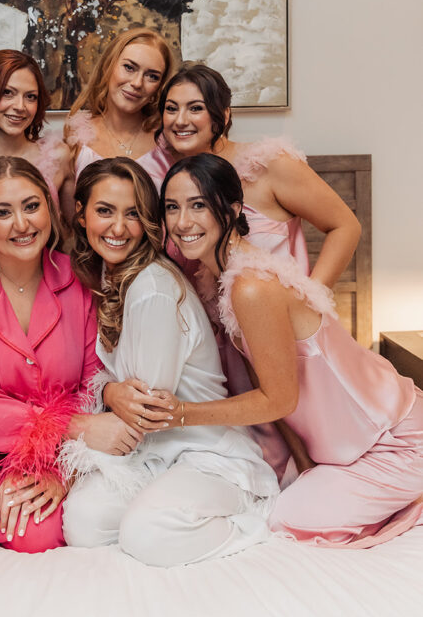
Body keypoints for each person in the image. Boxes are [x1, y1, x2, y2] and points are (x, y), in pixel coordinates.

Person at [159, 153, 423, 547]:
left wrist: (179, 414)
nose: (182, 222)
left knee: (285, 519)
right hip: (351, 449)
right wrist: (306, 466)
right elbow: (277, 388)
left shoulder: (252, 287)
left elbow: (278, 400)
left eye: (198, 205)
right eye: (172, 207)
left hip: (394, 441)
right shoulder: (225, 278)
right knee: (289, 498)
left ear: (232, 210)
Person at [61, 157, 278, 567]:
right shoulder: (111, 274)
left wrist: (99, 404)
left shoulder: (154, 288)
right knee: (83, 524)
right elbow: (112, 381)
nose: (118, 228)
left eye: (133, 214)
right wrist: (108, 389)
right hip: (153, 454)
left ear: (147, 221)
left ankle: (253, 517)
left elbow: (145, 407)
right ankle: (162, 507)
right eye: (105, 211)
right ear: (81, 214)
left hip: (199, 449)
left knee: (147, 534)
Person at [0, 156, 139, 554]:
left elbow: (92, 383)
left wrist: (62, 467)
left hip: (56, 446)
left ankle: (3, 505)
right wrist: (74, 428)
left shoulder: (82, 281)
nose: (21, 224)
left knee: (35, 536)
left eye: (31, 206)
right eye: (3, 212)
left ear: (51, 211)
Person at [158, 63, 361, 284]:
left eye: (195, 108)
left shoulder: (268, 164)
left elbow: (346, 226)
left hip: (280, 311)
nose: (180, 120)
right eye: (171, 108)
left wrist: (310, 301)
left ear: (224, 116)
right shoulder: (175, 183)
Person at [63, 28, 175, 207]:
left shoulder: (169, 141)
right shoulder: (76, 135)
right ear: (109, 65)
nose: (137, 83)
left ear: (160, 86)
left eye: (152, 76)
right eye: (129, 68)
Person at [0, 50, 71, 210]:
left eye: (30, 97)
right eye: (7, 93)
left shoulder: (58, 156)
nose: (20, 107)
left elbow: (71, 230)